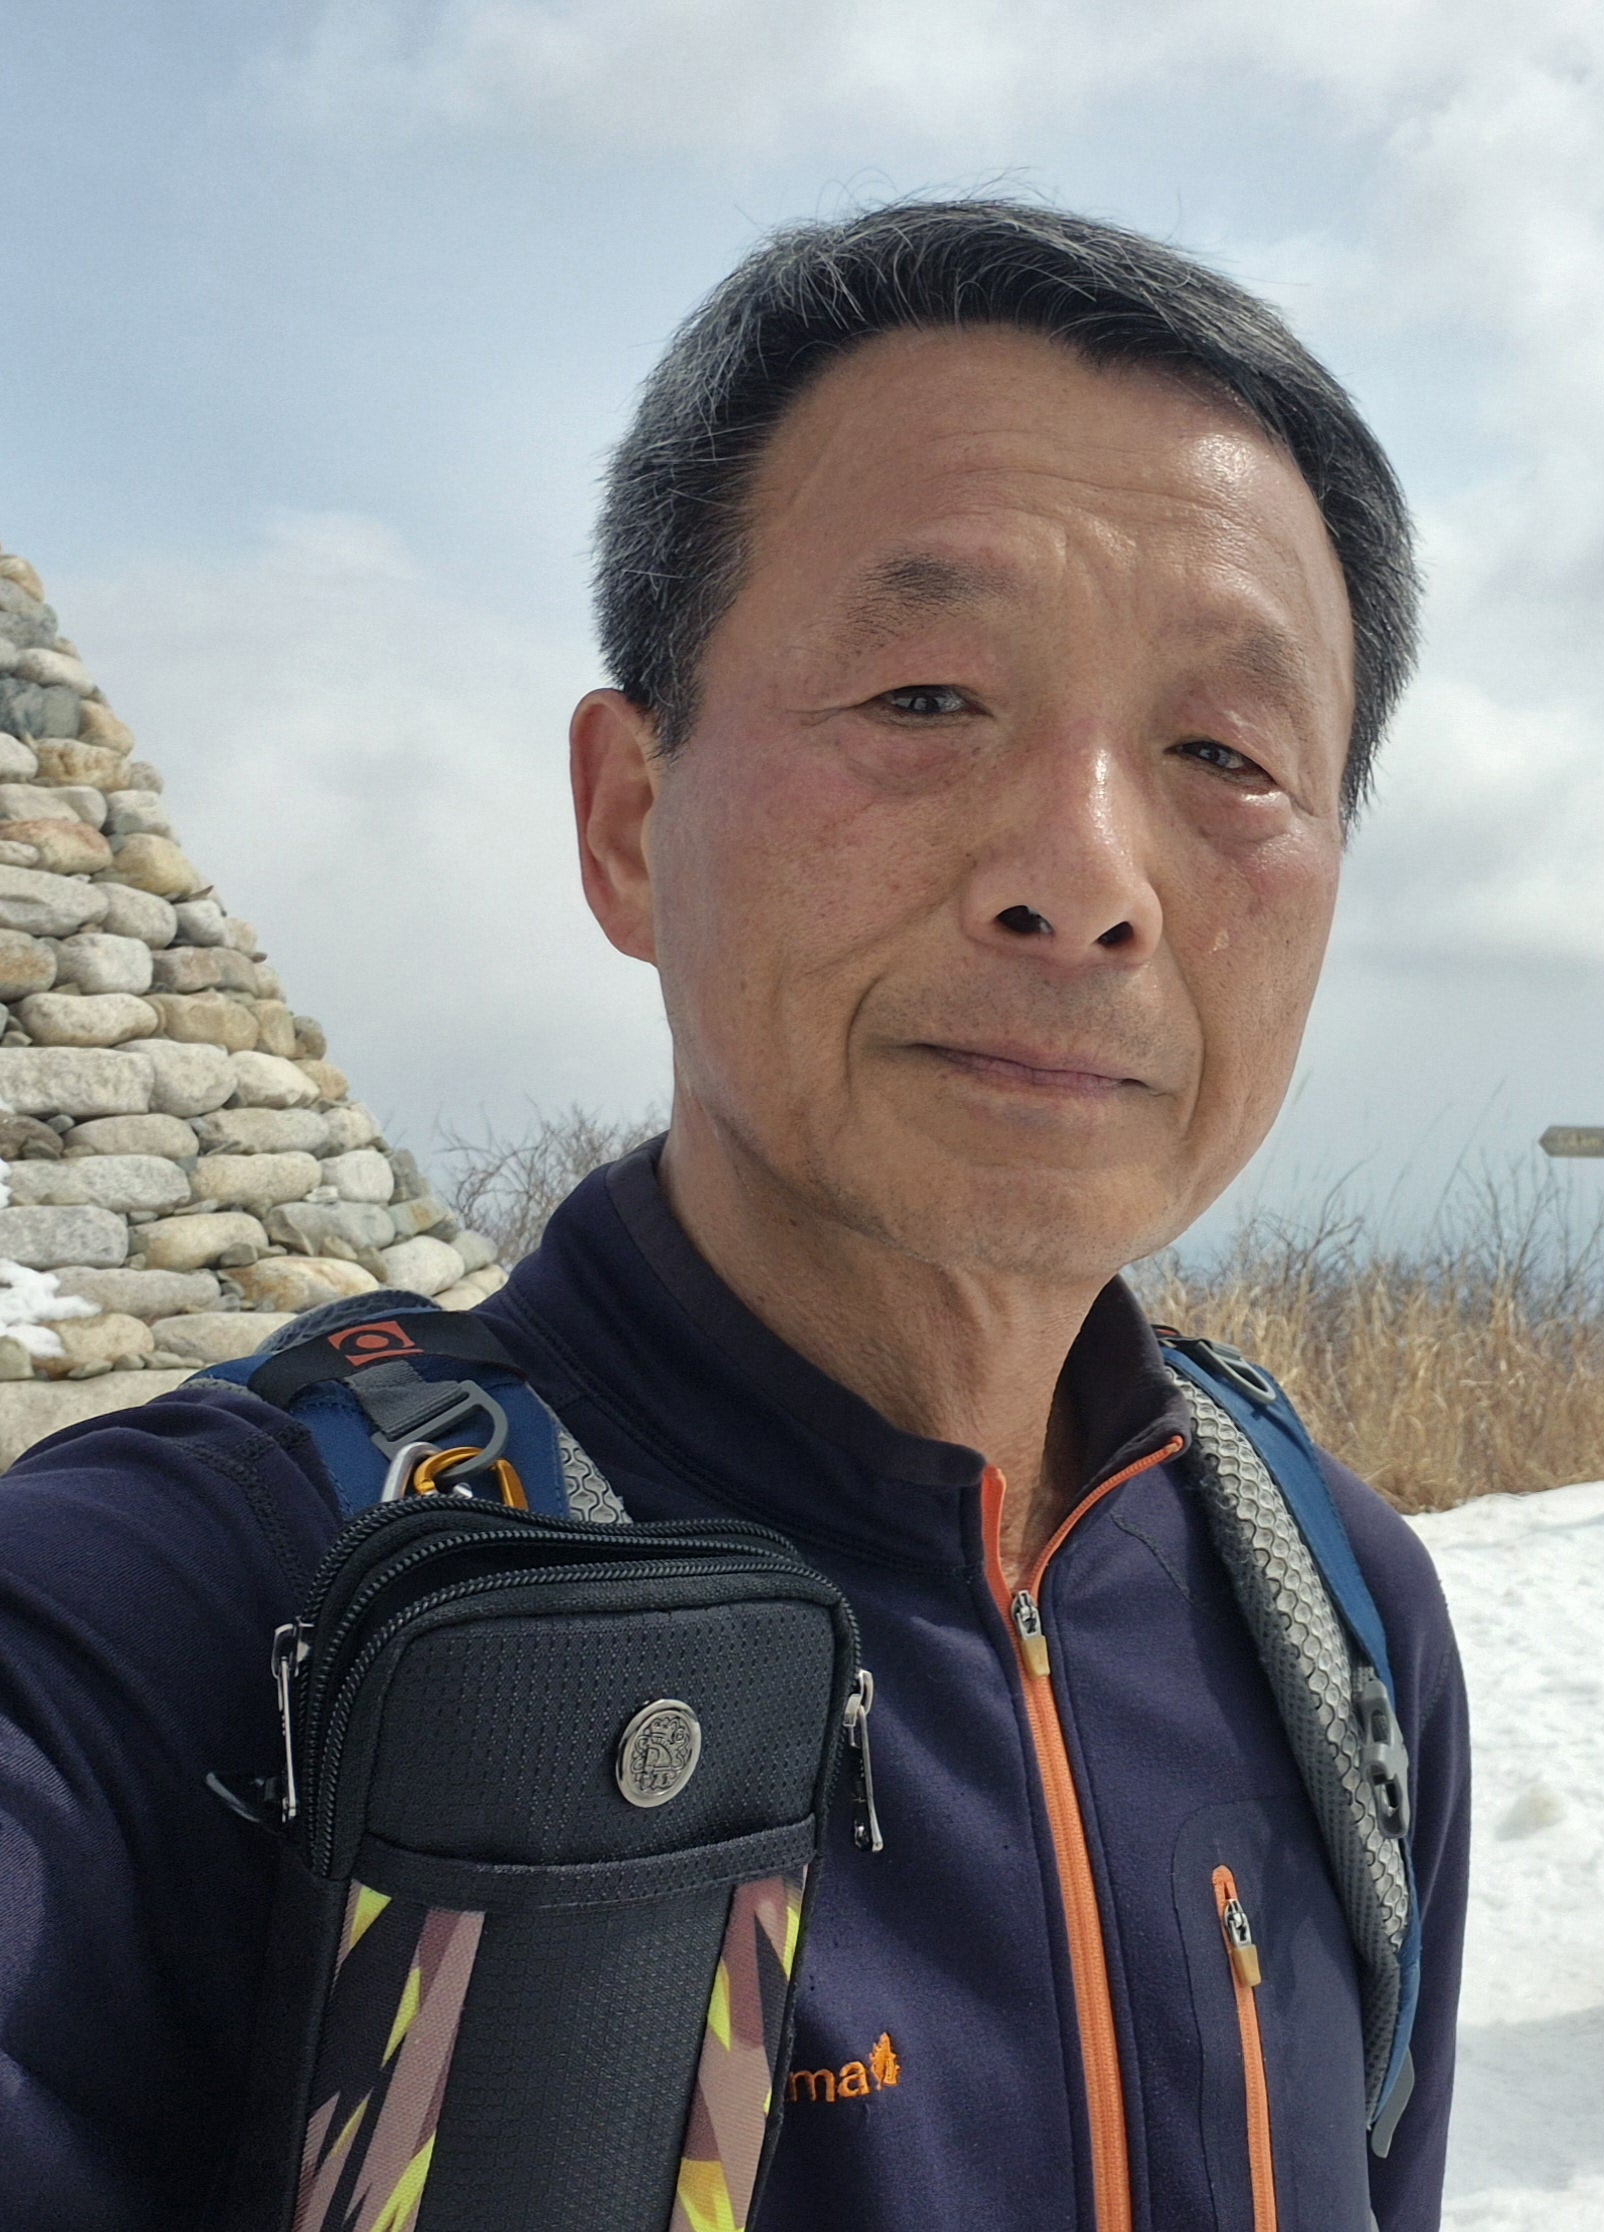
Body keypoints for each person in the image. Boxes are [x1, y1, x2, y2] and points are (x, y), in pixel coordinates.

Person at [0, 197, 1469, 2231]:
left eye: (1227, 750)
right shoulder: (192, 1633)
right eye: (927, 697)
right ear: (629, 820)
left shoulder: (1335, 1618)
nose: (1084, 877)